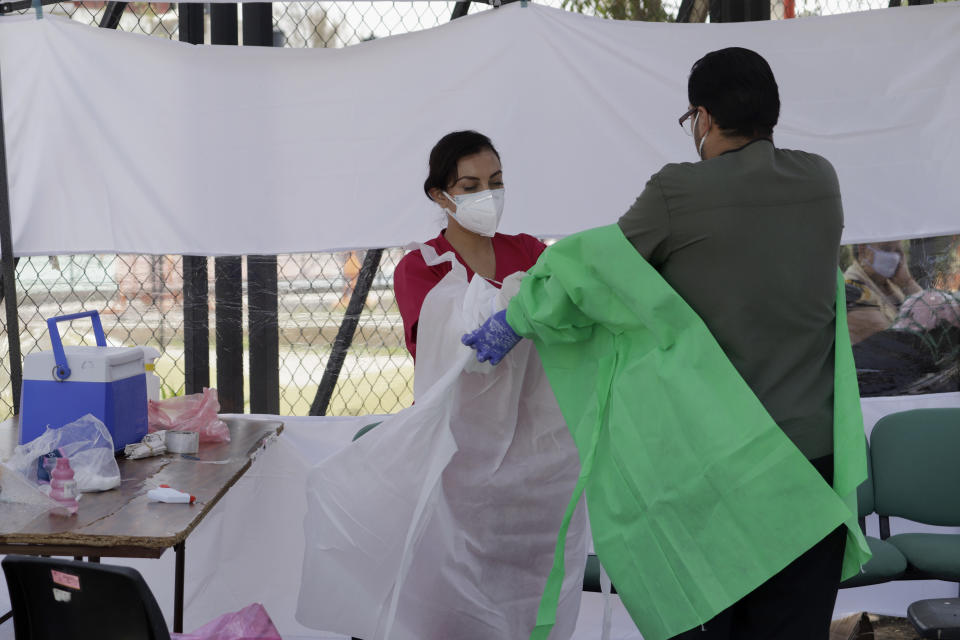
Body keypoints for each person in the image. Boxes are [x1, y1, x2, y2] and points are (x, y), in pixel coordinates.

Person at [464, 47, 866, 639]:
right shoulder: (820, 180)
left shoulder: (679, 191)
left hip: (719, 471)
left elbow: (591, 272)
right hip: (811, 466)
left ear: (702, 118)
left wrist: (520, 315)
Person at [393, 130, 546, 360]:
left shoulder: (528, 250)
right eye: (470, 187)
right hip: (456, 397)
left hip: (524, 396)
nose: (488, 195)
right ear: (440, 196)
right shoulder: (422, 266)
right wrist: (506, 307)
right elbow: (439, 350)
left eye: (496, 182)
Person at [844, 242, 922, 344]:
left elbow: (935, 316)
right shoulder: (852, 287)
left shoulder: (893, 284)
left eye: (898, 251)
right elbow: (891, 341)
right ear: (862, 250)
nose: (894, 257)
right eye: (886, 249)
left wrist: (907, 283)